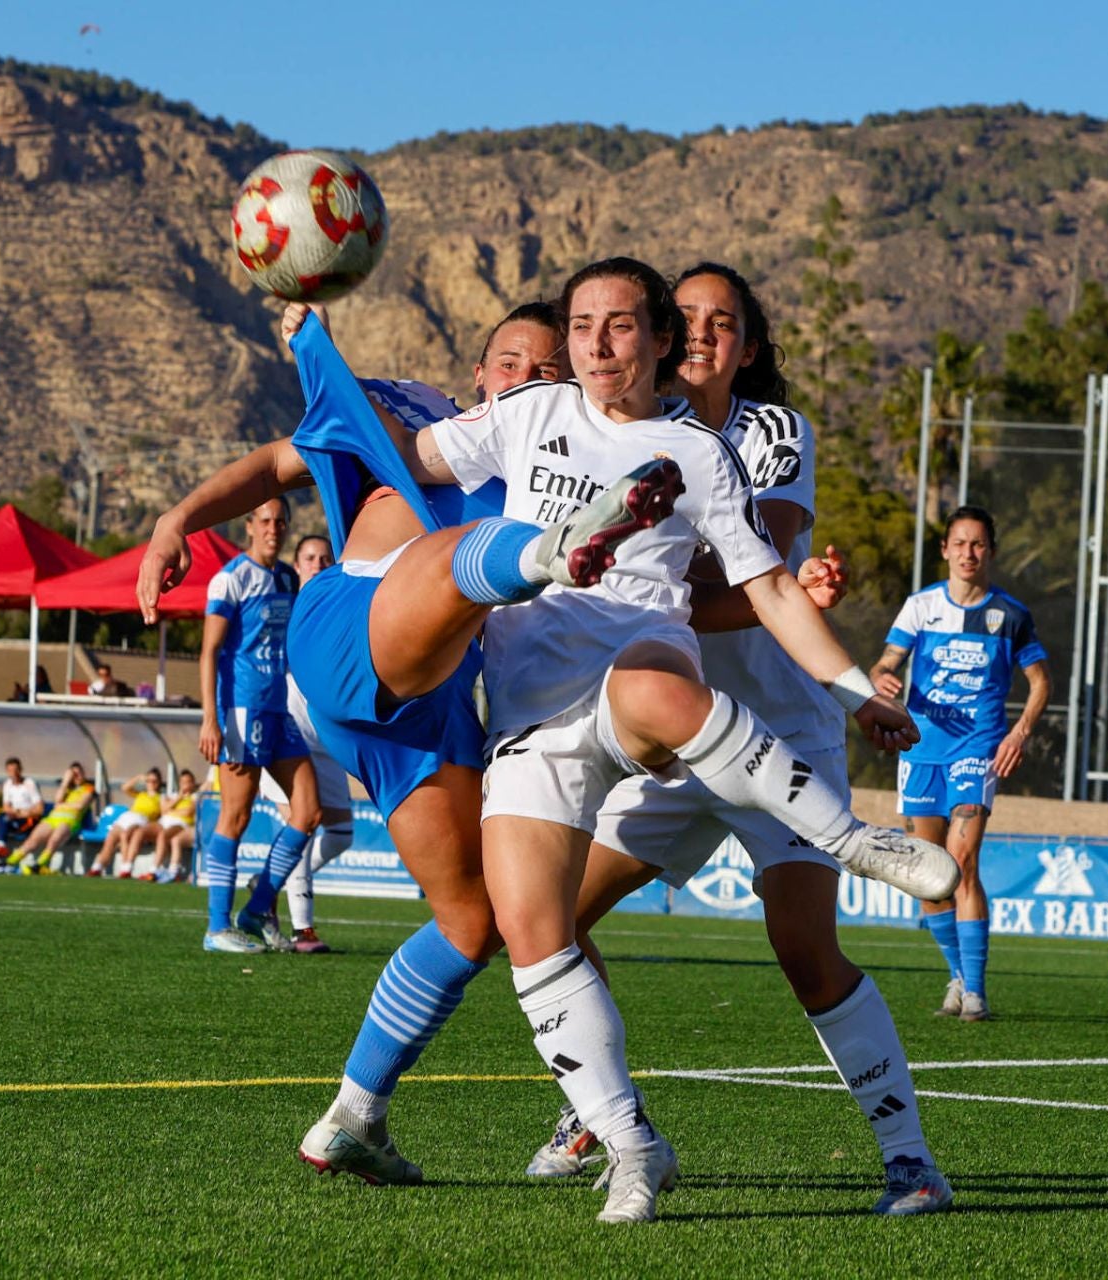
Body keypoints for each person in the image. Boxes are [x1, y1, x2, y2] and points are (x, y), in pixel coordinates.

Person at [415, 257, 954, 1221]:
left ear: (738, 346)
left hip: (768, 725)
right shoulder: (555, 414)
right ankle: (611, 1126)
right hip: (631, 725)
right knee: (544, 919)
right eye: (689, 314)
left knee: (805, 950)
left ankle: (909, 1159)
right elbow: (418, 460)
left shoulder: (756, 437)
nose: (701, 332)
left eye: (718, 322)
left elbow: (764, 575)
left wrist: (844, 678)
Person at [139, 295, 681, 1202]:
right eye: (511, 363)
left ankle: (354, 1114)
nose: (528, 380)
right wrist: (175, 522)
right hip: (352, 626)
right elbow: (286, 456)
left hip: (430, 702)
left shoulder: (573, 450)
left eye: (548, 371)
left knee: (475, 919)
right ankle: (547, 553)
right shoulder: (424, 416)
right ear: (477, 375)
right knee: (455, 554)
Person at [871, 505, 1051, 1019]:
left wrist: (1020, 731)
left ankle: (975, 990)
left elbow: (1040, 682)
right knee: (927, 874)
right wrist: (883, 677)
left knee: (963, 861)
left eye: (978, 545)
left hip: (977, 749)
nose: (969, 553)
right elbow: (885, 662)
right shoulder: (920, 607)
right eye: (960, 544)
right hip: (919, 748)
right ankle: (956, 973)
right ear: (945, 550)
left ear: (989, 551)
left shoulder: (1010, 615)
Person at [196, 497, 322, 953]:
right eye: (266, 521)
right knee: (236, 814)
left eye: (281, 521)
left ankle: (257, 907)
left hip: (277, 709)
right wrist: (211, 718)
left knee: (308, 810)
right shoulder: (231, 579)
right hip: (240, 710)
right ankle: (216, 927)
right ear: (249, 526)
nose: (274, 528)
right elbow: (209, 651)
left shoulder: (287, 577)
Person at [256, 533, 353, 953]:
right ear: (297, 566)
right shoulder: (283, 608)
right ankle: (302, 929)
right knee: (304, 826)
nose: (317, 563)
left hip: (325, 735)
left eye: (324, 558)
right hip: (287, 731)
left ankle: (270, 884)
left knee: (342, 834)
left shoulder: (341, 609)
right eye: (309, 558)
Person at [0, 763, 95, 874]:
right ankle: (9, 862)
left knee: (54, 839)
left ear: (83, 774)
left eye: (78, 773)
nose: (76, 776)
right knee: (33, 840)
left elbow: (80, 806)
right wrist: (65, 781)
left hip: (69, 821)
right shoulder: (66, 788)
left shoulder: (88, 788)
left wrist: (62, 805)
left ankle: (39, 865)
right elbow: (57, 800)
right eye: (73, 774)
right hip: (52, 819)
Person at [88, 768, 164, 877]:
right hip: (129, 816)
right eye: (148, 781)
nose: (150, 784)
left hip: (142, 819)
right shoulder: (141, 794)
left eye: (154, 781)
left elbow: (161, 813)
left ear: (159, 783)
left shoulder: (160, 798)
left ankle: (126, 867)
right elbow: (124, 788)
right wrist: (138, 778)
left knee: (125, 835)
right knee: (111, 837)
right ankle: (97, 867)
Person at [150, 769, 201, 883]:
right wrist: (179, 798)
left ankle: (155, 869)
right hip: (166, 822)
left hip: (182, 824)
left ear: (192, 783)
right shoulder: (174, 796)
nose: (185, 785)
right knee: (142, 832)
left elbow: (188, 812)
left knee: (165, 835)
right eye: (183, 782)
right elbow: (163, 810)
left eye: (188, 782)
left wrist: (171, 811)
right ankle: (168, 870)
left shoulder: (195, 796)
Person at [0, 757, 45, 861]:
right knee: (1, 817)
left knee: (19, 825)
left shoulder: (29, 783)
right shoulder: (7, 784)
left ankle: (18, 860)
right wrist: (14, 812)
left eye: (16, 770)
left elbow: (40, 809)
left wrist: (22, 813)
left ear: (21, 770)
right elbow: (6, 807)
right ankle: (1, 846)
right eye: (10, 771)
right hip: (15, 817)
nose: (13, 773)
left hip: (29, 818)